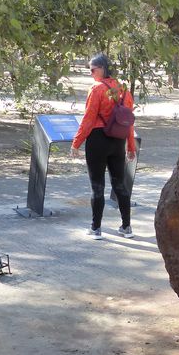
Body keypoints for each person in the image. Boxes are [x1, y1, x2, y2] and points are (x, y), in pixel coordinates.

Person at [70, 53, 136, 239]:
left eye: (93, 69)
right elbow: (128, 121)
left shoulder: (97, 89)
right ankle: (126, 227)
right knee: (120, 185)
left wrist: (76, 143)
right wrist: (130, 147)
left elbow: (89, 118)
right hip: (118, 139)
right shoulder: (123, 89)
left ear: (103, 68)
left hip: (98, 140)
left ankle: (95, 228)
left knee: (97, 186)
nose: (91, 73)